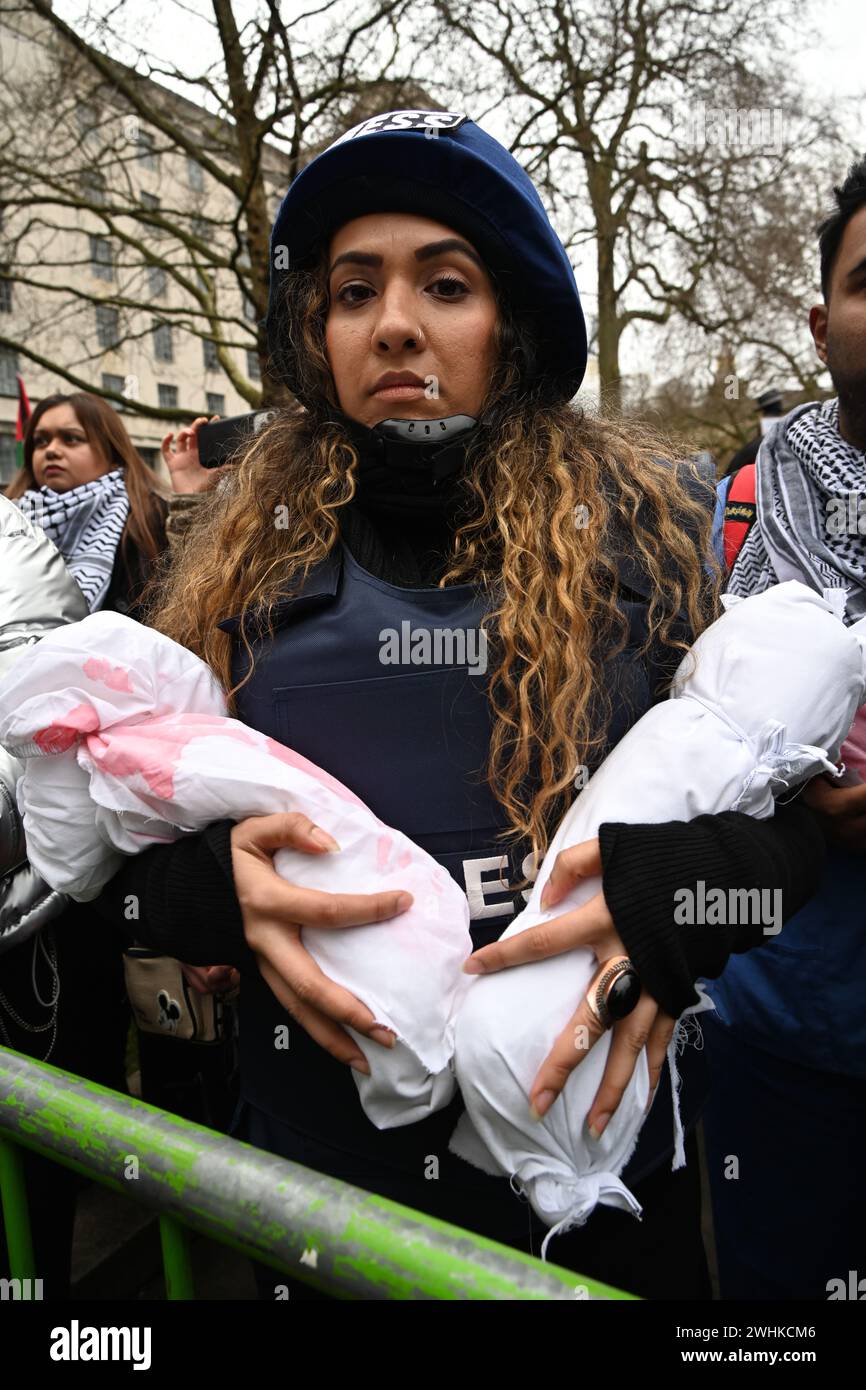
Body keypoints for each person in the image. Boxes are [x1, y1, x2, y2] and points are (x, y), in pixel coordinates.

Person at [89, 110, 824, 1301]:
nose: (393, 323)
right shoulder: (233, 575)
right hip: (316, 1206)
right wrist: (191, 894)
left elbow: (799, 850)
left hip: (586, 1206)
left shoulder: (652, 544)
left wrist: (677, 905)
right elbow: (99, 867)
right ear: (316, 333)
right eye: (352, 290)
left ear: (512, 325)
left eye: (444, 283)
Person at [0, 394, 232, 1295]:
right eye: (40, 440)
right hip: (37, 863)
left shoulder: (143, 535)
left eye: (72, 437)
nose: (52, 451)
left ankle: (185, 1223)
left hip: (128, 843)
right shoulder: (16, 538)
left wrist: (187, 505)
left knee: (147, 1051)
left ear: (108, 450)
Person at [703, 154, 866, 1299]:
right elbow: (676, 728)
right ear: (820, 323)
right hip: (783, 1034)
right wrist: (779, 770)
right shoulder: (742, 506)